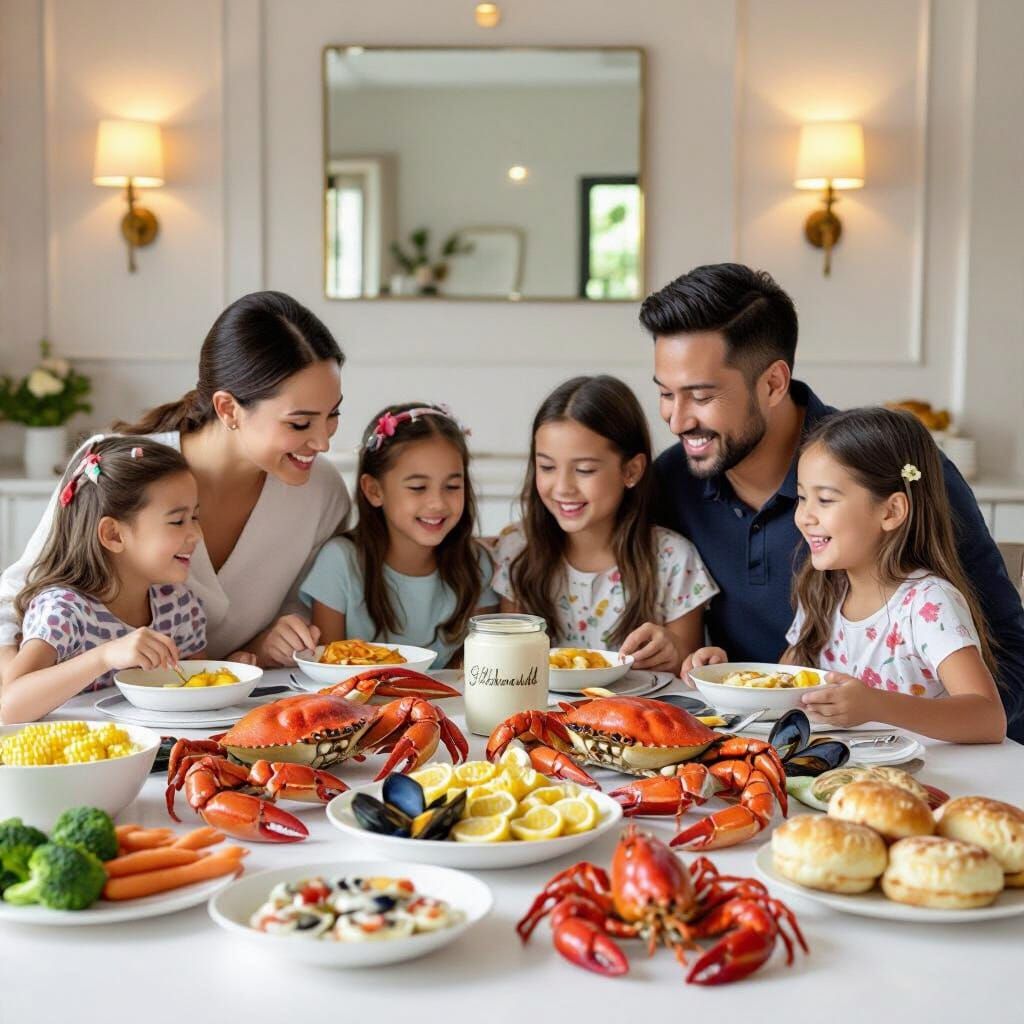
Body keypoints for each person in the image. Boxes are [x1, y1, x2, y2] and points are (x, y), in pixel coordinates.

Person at [642, 262, 1024, 741]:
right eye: (666, 393)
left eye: (700, 396)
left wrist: (913, 741)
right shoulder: (673, 479)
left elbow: (1007, 655)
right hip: (784, 740)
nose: (676, 421)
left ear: (773, 383)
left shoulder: (891, 470)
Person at [0, 291, 350, 669]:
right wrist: (14, 687)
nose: (323, 442)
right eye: (300, 423)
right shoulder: (118, 469)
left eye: (333, 414)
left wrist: (269, 644)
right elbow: (16, 599)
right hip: (87, 700)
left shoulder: (322, 490)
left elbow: (299, 606)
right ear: (228, 408)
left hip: (216, 696)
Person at [689, 409, 1006, 743]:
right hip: (846, 768)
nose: (804, 516)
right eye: (802, 497)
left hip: (930, 772)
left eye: (825, 500)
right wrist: (728, 680)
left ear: (891, 511)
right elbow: (786, 686)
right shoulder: (825, 590)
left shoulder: (928, 604)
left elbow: (989, 719)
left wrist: (876, 705)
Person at [1, 437, 255, 723]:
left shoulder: (179, 606)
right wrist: (104, 657)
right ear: (114, 535)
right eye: (177, 521)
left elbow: (193, 689)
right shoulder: (64, 611)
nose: (196, 534)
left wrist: (228, 673)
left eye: (195, 517)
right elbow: (9, 706)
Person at [492, 375, 717, 672]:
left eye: (584, 470)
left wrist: (672, 651)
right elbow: (506, 661)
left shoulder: (673, 560)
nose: (562, 487)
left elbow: (689, 669)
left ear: (631, 471)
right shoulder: (518, 552)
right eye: (546, 467)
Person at [299, 403, 498, 668]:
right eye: (418, 487)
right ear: (374, 490)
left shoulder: (476, 564)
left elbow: (480, 668)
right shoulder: (339, 563)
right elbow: (326, 666)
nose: (437, 503)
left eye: (452, 486)